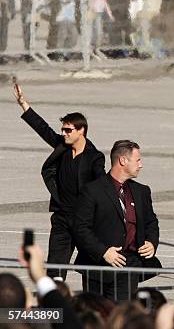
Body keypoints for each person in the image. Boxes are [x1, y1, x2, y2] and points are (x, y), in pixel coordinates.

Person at [14, 82, 105, 280]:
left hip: (84, 220)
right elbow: (43, 129)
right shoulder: (62, 147)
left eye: (68, 130)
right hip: (62, 217)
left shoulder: (94, 157)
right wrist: (24, 105)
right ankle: (54, 303)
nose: (64, 134)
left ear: (81, 131)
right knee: (55, 266)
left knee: (91, 265)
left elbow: (102, 185)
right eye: (63, 130)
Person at [74, 140, 161, 301]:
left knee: (121, 317)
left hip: (129, 266)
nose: (140, 165)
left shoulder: (141, 191)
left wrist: (151, 242)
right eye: (137, 160)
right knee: (97, 316)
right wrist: (104, 252)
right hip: (98, 268)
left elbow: (151, 222)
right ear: (122, 160)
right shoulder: (92, 190)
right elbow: (80, 228)